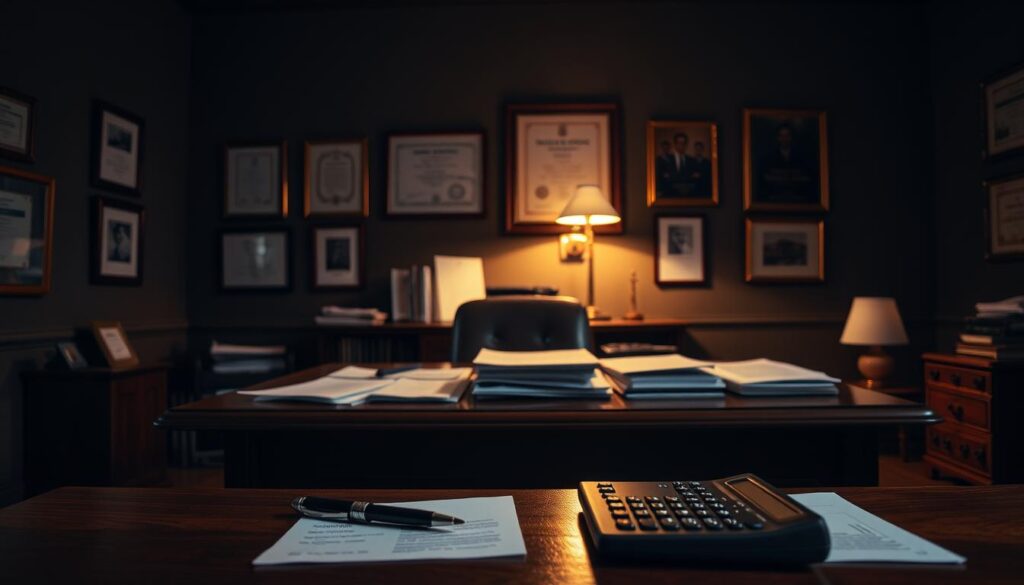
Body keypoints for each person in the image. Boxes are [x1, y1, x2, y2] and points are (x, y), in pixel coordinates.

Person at [756, 123, 818, 203]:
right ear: (778, 138)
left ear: (791, 137)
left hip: (798, 199)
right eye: (782, 136)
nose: (784, 139)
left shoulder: (800, 156)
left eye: (787, 136)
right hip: (775, 198)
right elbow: (765, 178)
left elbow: (807, 177)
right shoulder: (770, 157)